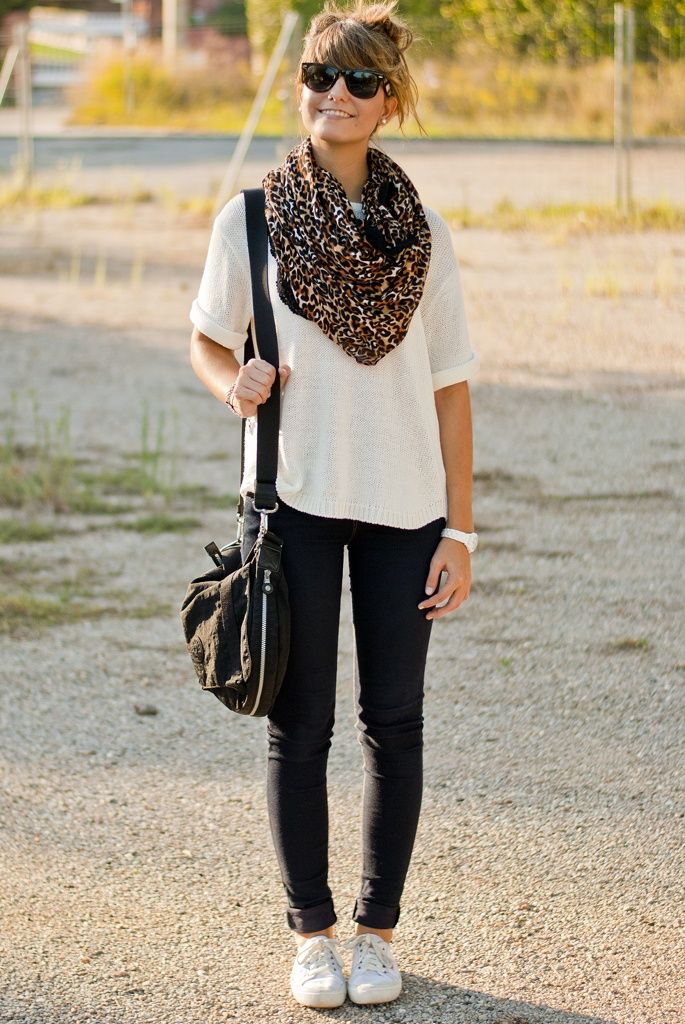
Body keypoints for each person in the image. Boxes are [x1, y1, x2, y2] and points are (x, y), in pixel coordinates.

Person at [188, 0, 480, 1009]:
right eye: (320, 76)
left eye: (359, 81)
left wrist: (463, 529)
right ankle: (312, 933)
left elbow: (451, 385)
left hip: (405, 509)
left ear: (387, 101)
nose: (336, 95)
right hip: (295, 504)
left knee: (393, 724)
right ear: (299, 88)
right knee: (298, 725)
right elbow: (207, 338)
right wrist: (234, 381)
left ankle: (378, 930)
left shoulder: (424, 235)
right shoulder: (252, 219)